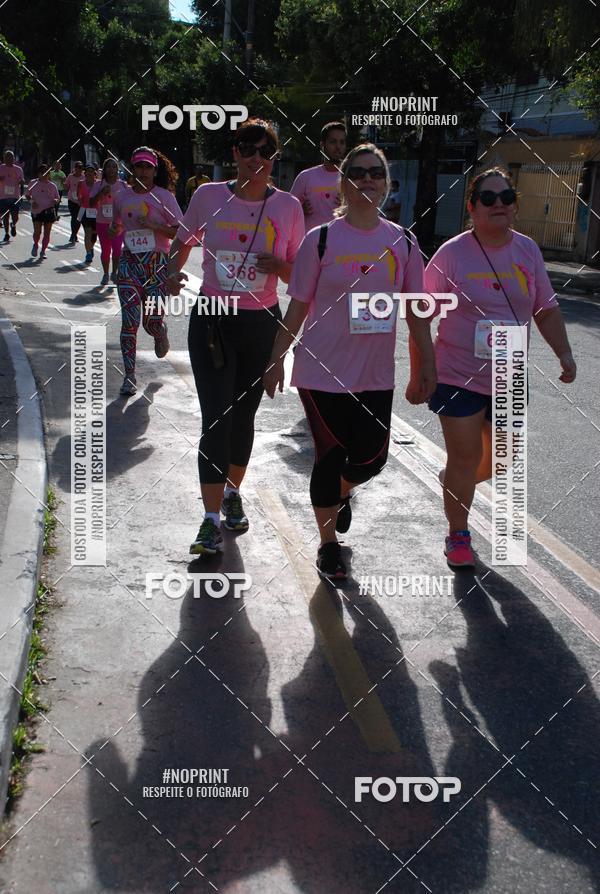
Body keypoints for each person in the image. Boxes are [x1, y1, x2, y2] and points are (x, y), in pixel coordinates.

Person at [264, 144, 436, 579]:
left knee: (372, 458)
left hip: (375, 375)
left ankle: (340, 494)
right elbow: (297, 307)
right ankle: (328, 546)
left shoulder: (403, 241)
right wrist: (275, 358)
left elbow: (417, 310)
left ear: (386, 183)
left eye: (375, 172)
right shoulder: (319, 239)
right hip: (320, 371)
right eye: (357, 172)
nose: (366, 179)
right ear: (343, 182)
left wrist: (425, 367)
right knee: (329, 453)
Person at [421, 167, 577, 568]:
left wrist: (564, 353)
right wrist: (421, 370)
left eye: (506, 197)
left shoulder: (526, 250)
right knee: (465, 456)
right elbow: (421, 312)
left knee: (503, 458)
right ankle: (458, 535)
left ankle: (454, 484)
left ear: (514, 205)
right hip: (457, 372)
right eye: (488, 199)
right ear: (471, 208)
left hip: (509, 373)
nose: (499, 205)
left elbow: (544, 307)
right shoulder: (452, 253)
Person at [166, 118, 304, 556]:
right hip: (211, 319)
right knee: (216, 419)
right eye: (248, 148)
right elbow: (184, 241)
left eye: (265, 151)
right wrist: (172, 270)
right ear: (234, 153)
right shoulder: (208, 195)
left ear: (274, 157)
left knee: (243, 418)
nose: (256, 157)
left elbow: (299, 274)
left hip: (260, 321)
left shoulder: (288, 208)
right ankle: (208, 523)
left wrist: (276, 266)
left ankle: (231, 493)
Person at [110, 146, 182, 397]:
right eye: (139, 166)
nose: (143, 171)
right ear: (132, 168)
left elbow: (180, 233)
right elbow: (117, 224)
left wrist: (153, 225)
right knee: (129, 323)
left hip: (156, 265)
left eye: (148, 167)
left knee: (150, 321)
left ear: (154, 170)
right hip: (130, 264)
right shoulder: (122, 196)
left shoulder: (165, 197)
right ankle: (129, 376)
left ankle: (159, 332)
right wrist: (114, 231)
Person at [290, 121, 347, 232]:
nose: (338, 147)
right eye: (333, 142)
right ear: (322, 145)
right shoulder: (305, 177)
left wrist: (348, 209)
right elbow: (287, 211)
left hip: (341, 245)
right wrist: (300, 210)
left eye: (342, 142)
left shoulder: (352, 179)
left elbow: (364, 214)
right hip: (310, 246)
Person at [89, 157, 126, 286]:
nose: (111, 169)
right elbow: (91, 203)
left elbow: (128, 204)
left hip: (118, 223)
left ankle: (114, 273)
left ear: (117, 169)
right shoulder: (98, 184)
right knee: (106, 250)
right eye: (108, 167)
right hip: (102, 222)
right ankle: (105, 273)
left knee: (117, 249)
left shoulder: (123, 185)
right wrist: (101, 193)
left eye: (114, 166)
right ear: (104, 170)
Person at [25, 164, 60, 259]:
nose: (44, 175)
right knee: (37, 232)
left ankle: (43, 251)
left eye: (46, 173)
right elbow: (27, 195)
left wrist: (56, 201)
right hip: (36, 211)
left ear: (49, 174)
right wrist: (32, 201)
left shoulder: (52, 186)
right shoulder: (33, 183)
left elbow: (57, 198)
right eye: (42, 172)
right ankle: (36, 244)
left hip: (49, 211)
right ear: (39, 173)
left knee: (47, 233)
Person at [0, 150, 25, 243]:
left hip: (15, 196)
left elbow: (22, 180)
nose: (9, 159)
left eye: (11, 157)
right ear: (4, 159)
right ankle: (6, 234)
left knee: (16, 217)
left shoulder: (18, 169)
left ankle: (13, 224)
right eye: (7, 157)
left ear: (14, 158)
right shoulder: (1, 168)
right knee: (5, 216)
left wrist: (21, 182)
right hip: (3, 196)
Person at [77, 163, 100, 263]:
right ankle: (88, 253)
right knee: (87, 233)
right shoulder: (81, 183)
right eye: (88, 172)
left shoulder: (98, 184)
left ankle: (91, 247)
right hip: (85, 211)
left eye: (91, 171)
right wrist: (81, 201)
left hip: (97, 212)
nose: (89, 173)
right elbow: (78, 196)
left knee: (94, 236)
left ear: (95, 173)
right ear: (85, 173)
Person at [65, 161, 84, 243]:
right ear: (75, 168)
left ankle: (74, 234)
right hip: (72, 200)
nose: (79, 170)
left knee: (79, 219)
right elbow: (67, 186)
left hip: (81, 201)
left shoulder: (84, 177)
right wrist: (65, 185)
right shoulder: (70, 176)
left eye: (81, 168)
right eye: (78, 168)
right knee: (73, 217)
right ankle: (73, 235)